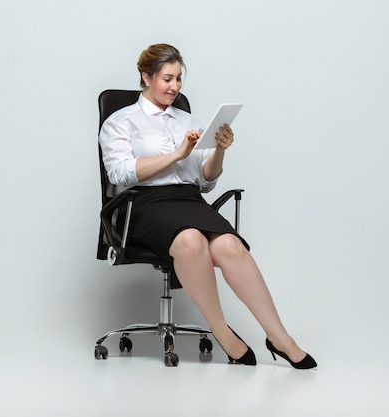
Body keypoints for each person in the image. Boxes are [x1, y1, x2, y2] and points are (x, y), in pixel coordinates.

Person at [99, 43, 316, 369]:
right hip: (141, 204)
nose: (175, 87)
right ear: (146, 77)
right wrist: (175, 156)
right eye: (167, 79)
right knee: (191, 240)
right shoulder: (121, 121)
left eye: (179, 79)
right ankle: (222, 332)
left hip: (188, 199)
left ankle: (279, 336)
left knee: (230, 244)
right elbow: (120, 174)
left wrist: (220, 150)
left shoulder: (189, 120)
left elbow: (206, 180)